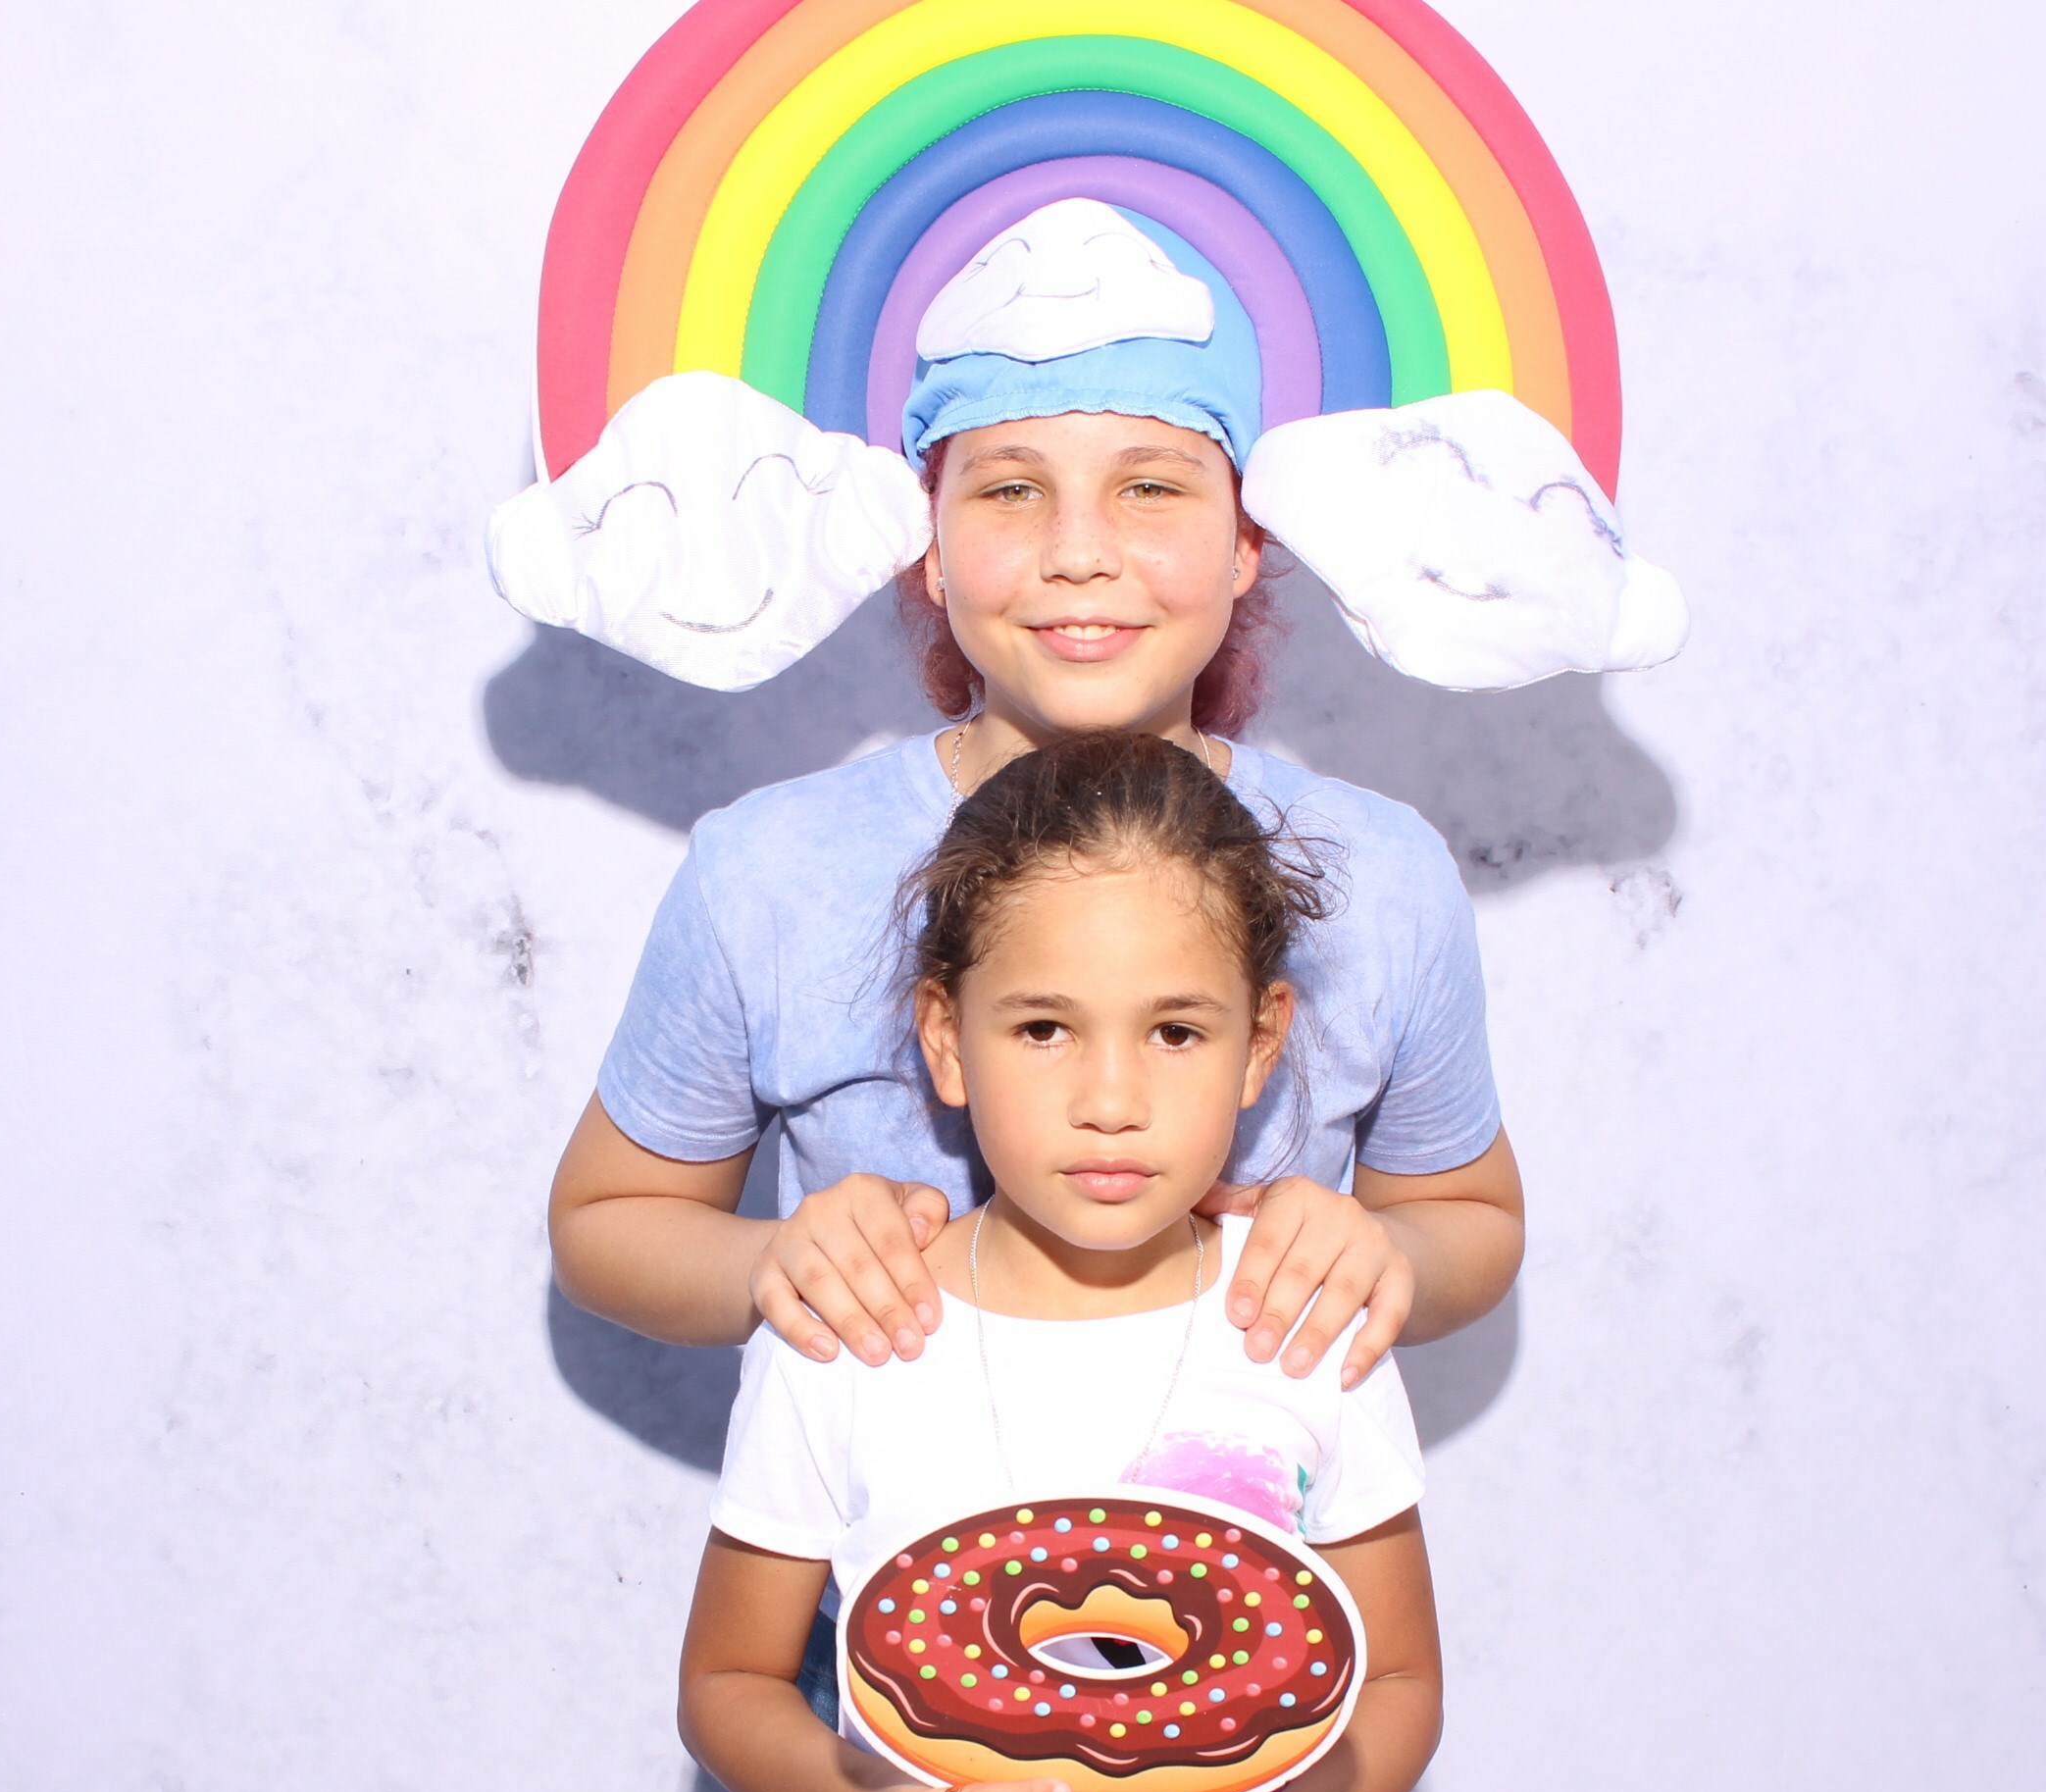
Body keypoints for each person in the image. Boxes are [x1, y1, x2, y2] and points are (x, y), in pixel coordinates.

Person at [545, 206, 1526, 1401]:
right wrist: (771, 1263)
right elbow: (608, 1220)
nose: (1078, 552)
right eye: (1011, 490)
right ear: (930, 544)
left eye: (1150, 487)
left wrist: (1388, 1256)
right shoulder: (767, 870)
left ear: (1245, 542)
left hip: (1248, 1511)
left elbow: (1470, 1217)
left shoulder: (1384, 876)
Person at [681, 734, 1442, 1792]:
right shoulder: (847, 1330)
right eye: (1043, 1028)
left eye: (1176, 1031)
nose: (1110, 1098)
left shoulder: (1308, 1321)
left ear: (1262, 1044)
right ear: (946, 1040)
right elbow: (726, 1685)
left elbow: (1404, 1679)